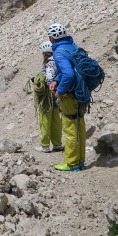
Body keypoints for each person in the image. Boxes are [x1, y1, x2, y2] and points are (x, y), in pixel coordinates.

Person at [47, 23, 86, 171]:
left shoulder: (58, 53)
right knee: (79, 126)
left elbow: (68, 73)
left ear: (52, 38)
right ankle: (80, 160)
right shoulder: (72, 46)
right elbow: (70, 68)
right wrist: (57, 80)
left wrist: (60, 90)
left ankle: (71, 163)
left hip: (70, 95)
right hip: (80, 92)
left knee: (70, 128)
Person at [33, 41, 63, 153]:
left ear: (46, 53)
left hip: (48, 96)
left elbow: (49, 79)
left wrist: (38, 81)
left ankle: (45, 145)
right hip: (56, 95)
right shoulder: (57, 61)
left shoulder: (50, 63)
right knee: (56, 120)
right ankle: (57, 144)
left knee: (45, 119)